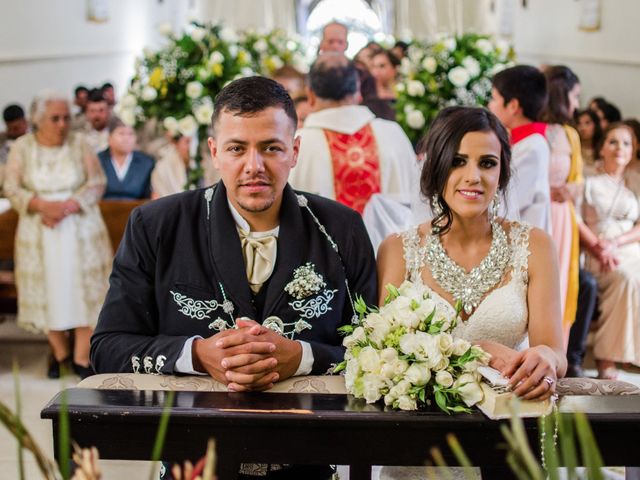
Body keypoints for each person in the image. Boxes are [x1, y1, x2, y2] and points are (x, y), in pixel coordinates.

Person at [91, 77, 377, 479]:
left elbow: (376, 349)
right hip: (192, 462)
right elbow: (107, 347)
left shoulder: (341, 228)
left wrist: (304, 357)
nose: (253, 166)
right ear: (214, 153)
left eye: (271, 148)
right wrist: (196, 355)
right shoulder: (157, 225)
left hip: (308, 460)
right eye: (237, 148)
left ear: (294, 151)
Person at [378, 105, 566, 396]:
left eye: (487, 163)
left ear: (502, 172)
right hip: (420, 420)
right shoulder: (398, 249)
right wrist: (478, 351)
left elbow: (555, 351)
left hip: (509, 413)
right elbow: (384, 354)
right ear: (436, 166)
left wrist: (547, 358)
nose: (473, 176)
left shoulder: (535, 246)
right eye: (457, 161)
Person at [3, 90, 112, 379]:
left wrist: (68, 206)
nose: (62, 124)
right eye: (55, 118)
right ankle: (59, 353)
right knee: (50, 290)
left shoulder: (80, 144)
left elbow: (97, 181)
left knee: (81, 291)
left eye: (66, 118)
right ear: (38, 120)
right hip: (39, 229)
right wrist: (42, 206)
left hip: (79, 226)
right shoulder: (23, 148)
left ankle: (80, 355)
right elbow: (11, 188)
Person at [290, 53, 417, 214]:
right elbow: (416, 201)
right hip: (392, 239)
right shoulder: (393, 134)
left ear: (310, 95)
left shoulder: (299, 144)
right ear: (358, 91)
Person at [579, 123, 640, 379]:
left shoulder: (635, 181)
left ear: (634, 149)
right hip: (597, 251)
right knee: (625, 276)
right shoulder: (588, 180)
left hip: (627, 247)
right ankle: (606, 358)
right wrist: (597, 246)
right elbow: (575, 219)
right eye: (613, 142)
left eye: (626, 143)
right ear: (602, 148)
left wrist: (618, 242)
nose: (619, 148)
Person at [541, 65, 583, 338]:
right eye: (575, 96)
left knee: (562, 282)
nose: (577, 104)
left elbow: (578, 180)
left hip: (562, 216)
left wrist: (569, 189)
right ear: (561, 94)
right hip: (539, 212)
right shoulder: (536, 131)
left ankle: (559, 349)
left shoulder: (570, 134)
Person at [488, 65, 552, 233]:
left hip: (522, 237)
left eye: (494, 98)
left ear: (513, 106)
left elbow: (509, 200)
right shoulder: (520, 141)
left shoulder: (533, 147)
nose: (490, 105)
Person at [98, 119, 154, 199]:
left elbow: (148, 196)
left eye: (131, 134)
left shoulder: (146, 162)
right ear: (109, 138)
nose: (126, 138)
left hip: (136, 209)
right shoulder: (98, 160)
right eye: (121, 133)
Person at [150, 133, 192, 198]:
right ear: (176, 144)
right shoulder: (163, 168)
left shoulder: (202, 163)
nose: (191, 146)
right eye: (187, 142)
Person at [1, 104, 29, 193]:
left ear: (25, 122)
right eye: (9, 129)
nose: (12, 132)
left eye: (16, 128)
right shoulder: (2, 140)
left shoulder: (38, 137)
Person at [83, 89, 112, 153]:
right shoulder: (80, 137)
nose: (97, 115)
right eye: (92, 111)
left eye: (101, 110)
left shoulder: (116, 133)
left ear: (108, 112)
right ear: (86, 113)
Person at [576, 109, 603, 176]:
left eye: (587, 123)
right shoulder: (574, 148)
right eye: (579, 124)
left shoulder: (603, 149)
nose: (582, 128)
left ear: (596, 125)